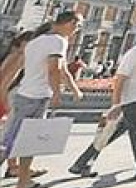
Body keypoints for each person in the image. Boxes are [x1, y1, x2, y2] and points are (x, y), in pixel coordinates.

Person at [68, 23, 136, 181]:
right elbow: (120, 79)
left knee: (109, 134)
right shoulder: (135, 53)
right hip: (132, 100)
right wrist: (116, 105)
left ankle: (81, 164)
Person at [1, 12, 83, 188]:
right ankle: (23, 181)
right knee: (12, 141)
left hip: (27, 94)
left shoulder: (36, 41)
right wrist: (57, 93)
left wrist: (74, 89)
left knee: (26, 141)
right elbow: (55, 69)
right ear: (70, 23)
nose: (76, 30)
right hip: (36, 97)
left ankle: (23, 181)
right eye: (77, 26)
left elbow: (61, 70)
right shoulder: (58, 41)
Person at [0, 31, 44, 181]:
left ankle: (13, 167)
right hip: (8, 97)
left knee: (12, 135)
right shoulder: (19, 56)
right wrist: (5, 105)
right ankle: (14, 167)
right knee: (10, 135)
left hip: (9, 96)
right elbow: (4, 82)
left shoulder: (16, 54)